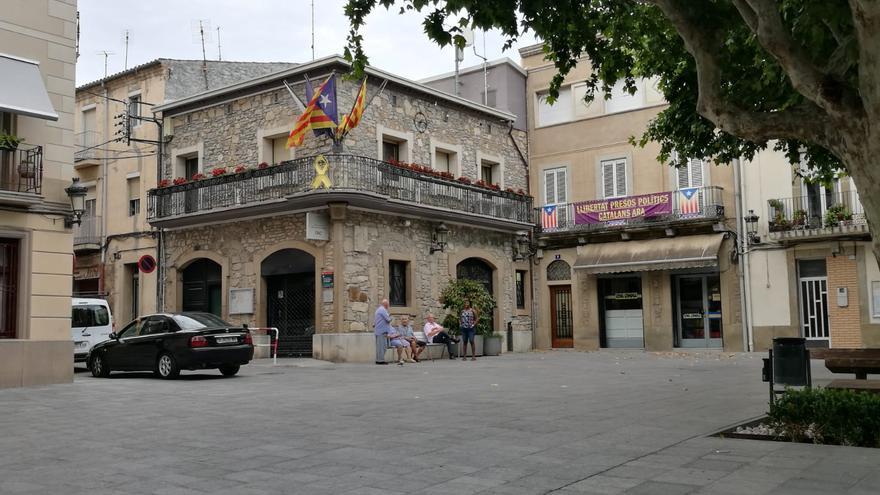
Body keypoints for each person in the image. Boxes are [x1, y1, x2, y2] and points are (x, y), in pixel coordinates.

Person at [374, 299, 393, 365]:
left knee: (380, 346)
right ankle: (380, 360)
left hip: (379, 331)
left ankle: (378, 359)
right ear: (386, 304)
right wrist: (391, 317)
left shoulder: (378, 309)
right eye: (388, 304)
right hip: (382, 331)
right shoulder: (383, 310)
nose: (388, 306)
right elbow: (388, 319)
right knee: (382, 347)